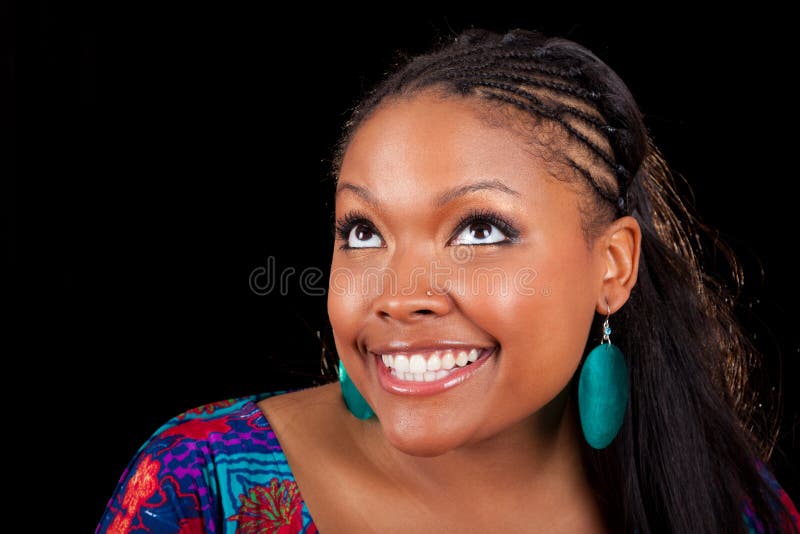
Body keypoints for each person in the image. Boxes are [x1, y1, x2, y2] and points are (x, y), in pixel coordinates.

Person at [96, 28, 799, 533]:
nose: (399, 297)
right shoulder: (196, 488)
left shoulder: (725, 502)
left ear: (612, 267)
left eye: (480, 230)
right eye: (363, 231)